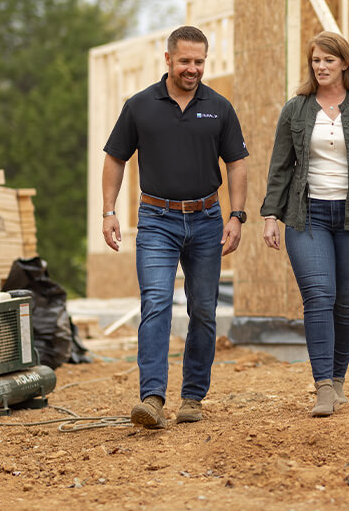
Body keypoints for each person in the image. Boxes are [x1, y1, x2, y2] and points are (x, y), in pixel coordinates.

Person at [101, 25, 249, 429]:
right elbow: (116, 157)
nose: (192, 69)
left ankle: (193, 398)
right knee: (156, 304)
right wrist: (108, 211)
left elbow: (236, 162)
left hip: (206, 220)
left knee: (203, 310)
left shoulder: (219, 107)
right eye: (185, 61)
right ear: (168, 59)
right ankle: (152, 398)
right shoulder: (140, 106)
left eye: (199, 61)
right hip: (156, 220)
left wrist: (237, 215)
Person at [261, 31, 349, 417]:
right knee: (318, 296)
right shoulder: (297, 109)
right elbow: (281, 167)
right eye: (316, 61)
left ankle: (338, 380)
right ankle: (322, 386)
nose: (321, 67)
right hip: (308, 216)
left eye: (328, 61)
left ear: (345, 64)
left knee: (346, 304)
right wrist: (271, 215)